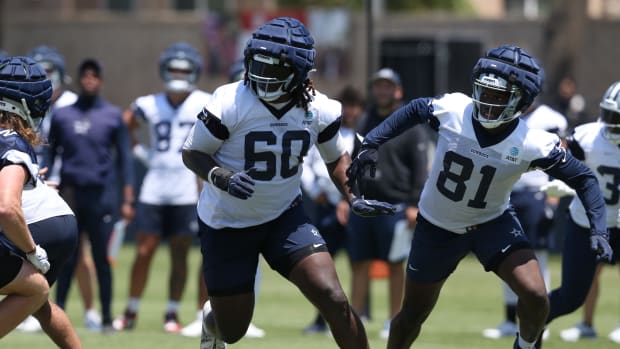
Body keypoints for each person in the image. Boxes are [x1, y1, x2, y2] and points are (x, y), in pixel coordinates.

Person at [346, 45, 612, 349]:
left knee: (537, 297)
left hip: (491, 223)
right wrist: (372, 142)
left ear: (521, 101)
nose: (487, 102)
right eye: (484, 92)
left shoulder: (531, 142)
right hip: (437, 226)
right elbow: (417, 107)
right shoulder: (454, 110)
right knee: (412, 315)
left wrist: (599, 227)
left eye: (498, 96)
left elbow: (584, 178)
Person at [181, 16, 395, 349]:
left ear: (299, 73)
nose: (262, 76)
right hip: (227, 221)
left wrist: (353, 197)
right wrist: (221, 176)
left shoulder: (318, 108)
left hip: (283, 217)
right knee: (233, 329)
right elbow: (193, 153)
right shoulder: (229, 101)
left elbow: (335, 158)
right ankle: (213, 321)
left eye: (275, 69)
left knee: (333, 298)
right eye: (258, 64)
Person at [113, 42, 211, 333]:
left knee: (180, 253)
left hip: (185, 187)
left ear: (194, 72)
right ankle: (130, 311)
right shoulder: (149, 103)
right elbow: (122, 126)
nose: (178, 74)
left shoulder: (205, 102)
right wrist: (142, 152)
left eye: (184, 69)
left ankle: (171, 313)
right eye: (174, 68)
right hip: (155, 185)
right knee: (144, 250)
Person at [45, 58, 136, 332]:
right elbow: (51, 151)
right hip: (70, 194)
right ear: (80, 79)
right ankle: (57, 313)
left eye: (94, 76)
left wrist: (128, 198)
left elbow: (126, 160)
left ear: (101, 81)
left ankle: (107, 318)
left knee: (102, 259)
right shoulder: (63, 115)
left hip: (100, 197)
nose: (89, 80)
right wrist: (48, 182)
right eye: (85, 75)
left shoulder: (112, 116)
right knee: (67, 259)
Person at [17, 44, 102, 333]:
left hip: (60, 183)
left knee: (80, 255)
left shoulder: (73, 106)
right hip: (28, 178)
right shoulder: (22, 107)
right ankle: (32, 306)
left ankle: (90, 310)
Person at [179, 58, 266, 339]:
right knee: (211, 263)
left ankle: (245, 316)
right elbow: (198, 153)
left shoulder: (263, 112)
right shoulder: (223, 107)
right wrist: (203, 188)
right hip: (220, 198)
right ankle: (200, 312)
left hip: (256, 200)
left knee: (253, 263)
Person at [0, 55, 82, 347]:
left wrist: (27, 180)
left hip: (38, 223)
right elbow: (7, 207)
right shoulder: (11, 140)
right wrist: (32, 250)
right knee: (36, 297)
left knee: (35, 295)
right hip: (41, 226)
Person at [346, 67, 429, 339]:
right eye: (378, 86)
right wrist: (347, 197)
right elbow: (352, 162)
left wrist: (414, 204)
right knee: (358, 263)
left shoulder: (410, 124)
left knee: (395, 265)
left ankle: (393, 319)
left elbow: (420, 167)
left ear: (398, 91)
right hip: (363, 203)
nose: (382, 91)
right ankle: (354, 318)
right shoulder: (365, 120)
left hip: (396, 205)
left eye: (387, 86)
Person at [538, 80, 620, 346]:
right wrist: (563, 182)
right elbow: (560, 162)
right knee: (571, 296)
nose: (612, 123)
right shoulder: (587, 136)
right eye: (610, 115)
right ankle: (532, 321)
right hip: (586, 224)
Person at [482, 102, 567, 340]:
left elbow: (561, 158)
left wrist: (551, 200)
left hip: (537, 192)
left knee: (537, 257)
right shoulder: (506, 113)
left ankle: (542, 320)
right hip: (508, 193)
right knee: (506, 256)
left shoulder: (552, 118)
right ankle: (510, 319)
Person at [301, 85, 366, 335]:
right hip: (326, 205)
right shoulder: (325, 128)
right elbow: (306, 161)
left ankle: (356, 316)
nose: (350, 111)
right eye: (346, 105)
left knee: (358, 263)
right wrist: (314, 190)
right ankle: (321, 319)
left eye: (355, 106)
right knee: (323, 266)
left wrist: (350, 201)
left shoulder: (363, 136)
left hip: (353, 208)